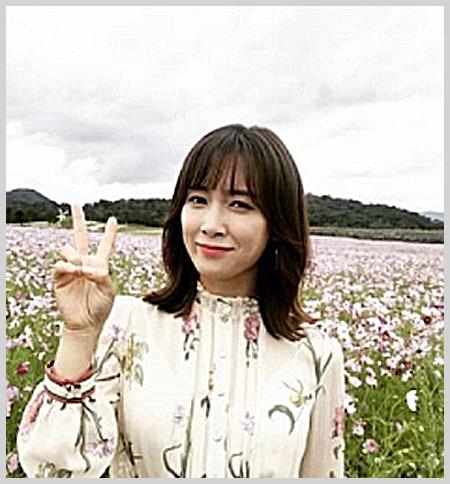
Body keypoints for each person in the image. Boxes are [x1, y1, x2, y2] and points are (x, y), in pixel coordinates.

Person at [17, 124, 345, 478]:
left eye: (239, 204)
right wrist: (78, 334)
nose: (211, 225)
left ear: (278, 222)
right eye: (198, 200)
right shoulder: (126, 324)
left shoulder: (316, 352)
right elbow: (54, 471)